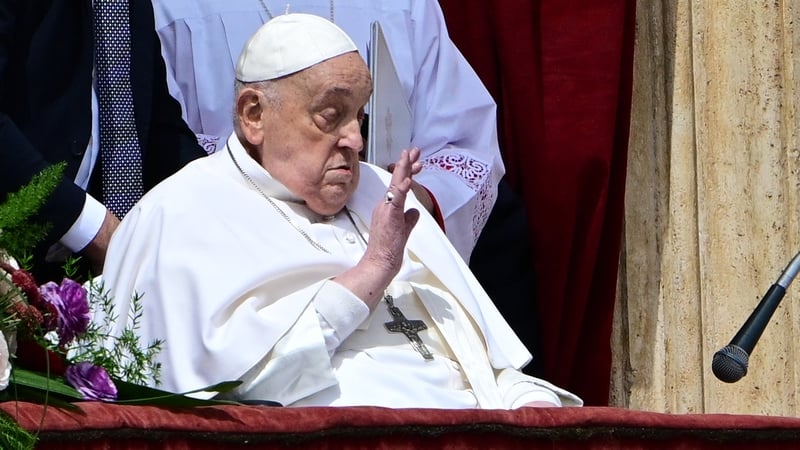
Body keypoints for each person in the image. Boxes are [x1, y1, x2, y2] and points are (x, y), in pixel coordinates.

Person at [100, 14, 581, 409]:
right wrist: (371, 273)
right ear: (253, 115)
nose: (355, 139)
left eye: (360, 116)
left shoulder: (380, 190)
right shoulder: (185, 212)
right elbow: (240, 389)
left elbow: (484, 360)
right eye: (331, 116)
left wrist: (529, 406)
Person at [151, 0, 502, 262]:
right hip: (244, 249)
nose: (354, 139)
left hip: (388, 246)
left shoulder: (404, 5)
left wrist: (406, 197)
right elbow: (161, 142)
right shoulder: (171, 8)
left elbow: (464, 142)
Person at [0, 0, 206, 279]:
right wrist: (92, 227)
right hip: (20, 251)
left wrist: (228, 194)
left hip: (100, 266)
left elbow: (154, 124)